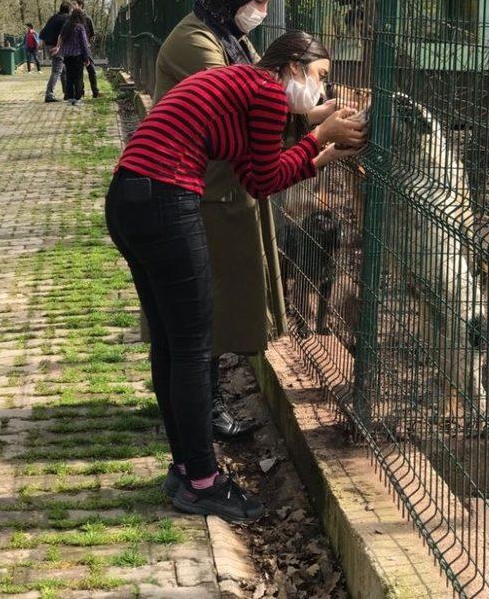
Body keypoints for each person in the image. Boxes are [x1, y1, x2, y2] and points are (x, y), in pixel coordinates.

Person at [105, 31, 366, 523]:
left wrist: (321, 154)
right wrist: (318, 137)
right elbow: (265, 180)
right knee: (192, 347)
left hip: (128, 199)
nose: (322, 91)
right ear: (293, 66)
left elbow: (255, 175)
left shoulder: (237, 81)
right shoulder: (267, 93)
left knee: (169, 342)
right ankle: (203, 481)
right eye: (321, 77)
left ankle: (186, 469)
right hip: (166, 201)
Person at [154, 0, 342, 440]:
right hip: (197, 192)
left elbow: (267, 94)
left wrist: (312, 115)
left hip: (219, 189)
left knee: (208, 308)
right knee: (202, 311)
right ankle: (199, 412)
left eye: (266, 0)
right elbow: (243, 104)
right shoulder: (196, 42)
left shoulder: (230, 38)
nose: (262, 10)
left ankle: (190, 406)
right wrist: (315, 133)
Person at [51, 7, 90, 105]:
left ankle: (70, 98)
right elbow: (84, 44)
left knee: (69, 77)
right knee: (78, 77)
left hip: (67, 56)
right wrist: (86, 58)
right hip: (77, 55)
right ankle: (78, 98)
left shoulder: (66, 26)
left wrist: (58, 48)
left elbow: (61, 38)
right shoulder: (80, 27)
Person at [70, 0, 100, 98]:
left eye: (74, 4)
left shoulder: (87, 19)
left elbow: (92, 35)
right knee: (78, 73)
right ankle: (80, 92)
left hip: (86, 48)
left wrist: (88, 43)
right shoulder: (71, 19)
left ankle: (95, 91)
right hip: (75, 50)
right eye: (71, 4)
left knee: (91, 69)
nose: (72, 7)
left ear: (81, 5)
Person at [40, 2, 70, 102]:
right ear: (69, 10)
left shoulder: (53, 18)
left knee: (63, 69)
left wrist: (42, 44)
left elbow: (43, 33)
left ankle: (67, 93)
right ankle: (49, 94)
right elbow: (62, 34)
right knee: (57, 70)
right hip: (56, 46)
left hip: (48, 45)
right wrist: (58, 46)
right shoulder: (66, 19)